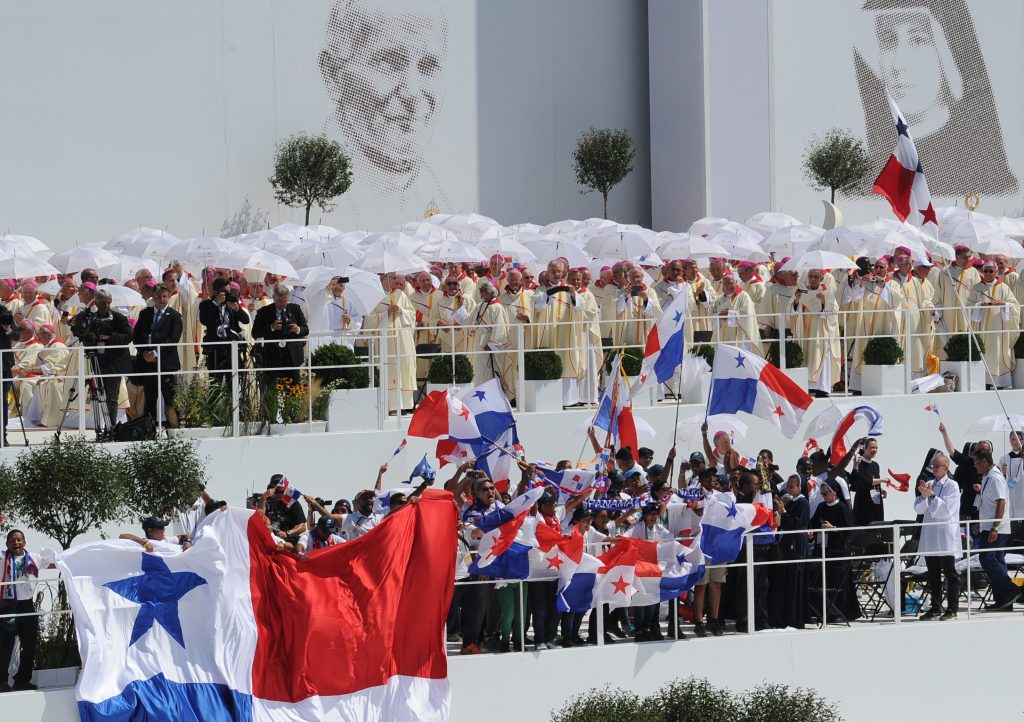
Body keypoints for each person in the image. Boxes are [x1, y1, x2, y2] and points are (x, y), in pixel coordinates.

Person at [319, 0, 451, 216]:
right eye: (389, 62)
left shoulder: (448, 185)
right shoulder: (311, 193)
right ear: (334, 76)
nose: (412, 92)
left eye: (428, 65)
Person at [72, 288, 133, 428]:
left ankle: (110, 427)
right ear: (96, 303)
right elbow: (80, 332)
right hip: (95, 360)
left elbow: (129, 336)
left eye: (108, 302)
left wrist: (110, 337)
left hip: (113, 363)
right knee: (99, 396)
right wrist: (74, 325)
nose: (106, 305)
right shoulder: (89, 317)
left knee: (111, 397)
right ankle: (101, 426)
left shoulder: (118, 318)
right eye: (103, 302)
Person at [914, 453, 962, 620]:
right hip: (931, 535)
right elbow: (918, 509)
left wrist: (932, 496)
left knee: (950, 572)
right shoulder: (928, 483)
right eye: (932, 466)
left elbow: (947, 510)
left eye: (937, 466)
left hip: (946, 534)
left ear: (946, 468)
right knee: (933, 573)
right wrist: (924, 495)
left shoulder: (953, 486)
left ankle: (953, 608)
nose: (933, 469)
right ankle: (935, 607)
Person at [972, 449, 1019, 610]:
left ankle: (1012, 590)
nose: (976, 467)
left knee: (988, 559)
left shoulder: (995, 478)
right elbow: (988, 503)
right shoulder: (987, 477)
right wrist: (981, 522)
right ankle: (1004, 600)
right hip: (990, 526)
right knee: (997, 561)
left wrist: (994, 527)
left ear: (984, 461)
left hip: (996, 528)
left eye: (977, 463)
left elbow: (1001, 502)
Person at [132, 283, 183, 425]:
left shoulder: (175, 316)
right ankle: (149, 429)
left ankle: (174, 429)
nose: (162, 299)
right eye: (159, 296)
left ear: (168, 297)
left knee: (170, 398)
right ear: (153, 297)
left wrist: (156, 353)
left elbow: (173, 339)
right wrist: (144, 353)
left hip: (166, 363)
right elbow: (137, 336)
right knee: (149, 398)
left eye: (165, 296)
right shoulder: (145, 313)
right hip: (148, 364)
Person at [967, 260, 1020, 388]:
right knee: (983, 353)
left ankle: (999, 383)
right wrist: (980, 305)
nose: (988, 273)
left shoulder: (1004, 288)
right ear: (982, 272)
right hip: (982, 328)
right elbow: (969, 305)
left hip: (998, 329)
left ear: (996, 272)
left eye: (991, 271)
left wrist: (1005, 304)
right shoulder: (977, 288)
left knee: (997, 354)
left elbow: (1015, 306)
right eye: (986, 271)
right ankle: (983, 381)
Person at [0, 530, 40, 691]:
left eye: (19, 540)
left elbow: (58, 561)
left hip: (27, 605)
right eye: (12, 541)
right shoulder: (2, 558)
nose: (16, 543)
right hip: (8, 606)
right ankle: (2, 682)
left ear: (24, 542)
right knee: (6, 643)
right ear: (7, 545)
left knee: (29, 644)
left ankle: (22, 680)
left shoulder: (35, 558)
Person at [251, 285, 310, 387]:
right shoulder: (263, 312)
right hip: (272, 356)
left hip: (293, 357)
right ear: (273, 298)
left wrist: (297, 329)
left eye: (285, 301)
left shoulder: (295, 309)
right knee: (272, 388)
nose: (282, 304)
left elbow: (306, 329)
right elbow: (255, 333)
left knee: (294, 388)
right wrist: (272, 327)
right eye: (279, 301)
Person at [198, 277, 250, 383]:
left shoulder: (231, 303)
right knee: (215, 384)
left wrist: (236, 308)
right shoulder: (206, 305)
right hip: (215, 349)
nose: (227, 294)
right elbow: (204, 320)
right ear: (216, 292)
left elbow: (246, 320)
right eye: (224, 291)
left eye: (229, 291)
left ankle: (232, 400)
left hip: (231, 348)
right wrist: (215, 303)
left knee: (232, 383)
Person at [776, 476, 809, 629]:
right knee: (788, 582)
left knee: (795, 582)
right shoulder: (794, 502)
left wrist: (784, 512)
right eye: (788, 486)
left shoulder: (802, 503)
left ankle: (796, 617)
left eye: (792, 486)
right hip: (790, 544)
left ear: (799, 487)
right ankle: (787, 615)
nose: (789, 489)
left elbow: (796, 525)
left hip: (796, 546)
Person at [938, 420, 988, 519]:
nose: (978, 452)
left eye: (982, 450)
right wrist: (944, 433)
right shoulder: (968, 462)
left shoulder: (995, 469)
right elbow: (952, 451)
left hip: (986, 507)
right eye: (977, 449)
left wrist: (982, 488)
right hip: (967, 505)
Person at [118, 517, 184, 553]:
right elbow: (122, 536)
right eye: (160, 527)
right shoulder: (143, 542)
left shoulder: (167, 540)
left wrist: (187, 542)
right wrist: (145, 543)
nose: (164, 530)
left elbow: (184, 537)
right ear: (150, 531)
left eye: (163, 527)